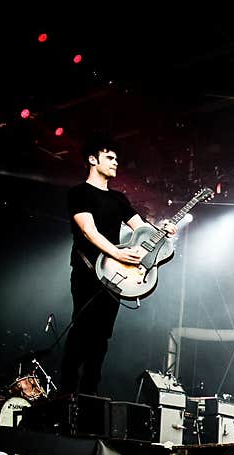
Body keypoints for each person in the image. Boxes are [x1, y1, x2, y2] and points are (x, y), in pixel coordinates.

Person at [60, 135, 175, 395]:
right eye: (109, 157)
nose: (115, 163)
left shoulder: (119, 198)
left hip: (114, 275)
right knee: (81, 328)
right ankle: (65, 394)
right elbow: (89, 231)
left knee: (102, 337)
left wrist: (163, 230)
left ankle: (89, 395)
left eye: (116, 158)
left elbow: (143, 229)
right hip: (87, 269)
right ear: (92, 159)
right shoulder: (79, 193)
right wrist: (118, 253)